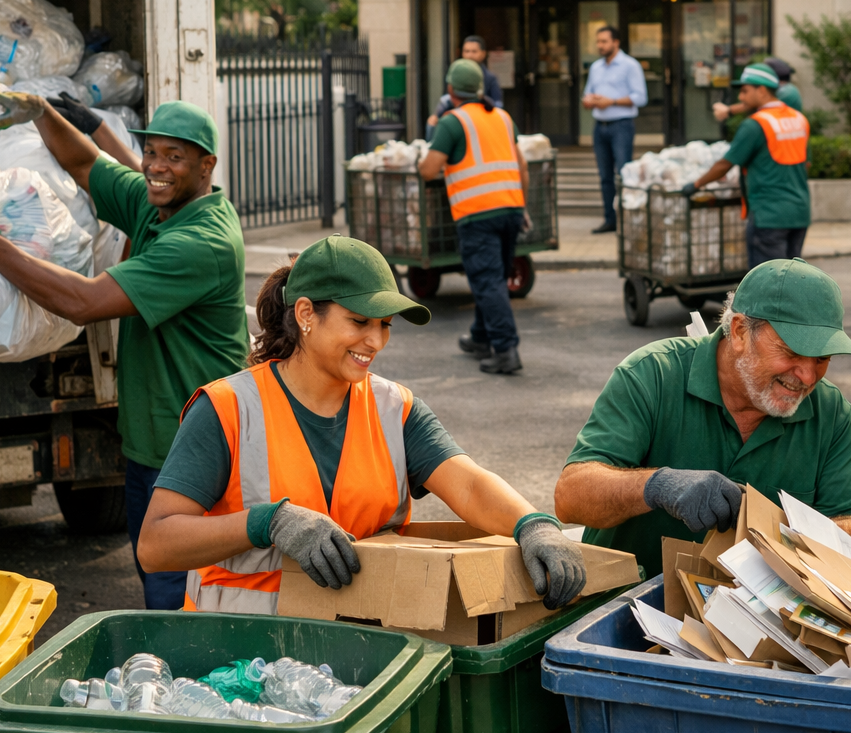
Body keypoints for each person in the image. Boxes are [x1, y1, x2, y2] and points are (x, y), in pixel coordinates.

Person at [136, 236, 587, 614]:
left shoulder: (395, 408)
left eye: (385, 325)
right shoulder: (227, 407)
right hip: (238, 667)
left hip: (357, 658)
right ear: (306, 314)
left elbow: (467, 484)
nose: (375, 341)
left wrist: (533, 525)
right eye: (359, 321)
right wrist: (268, 522)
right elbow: (156, 545)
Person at [0, 86, 248, 611]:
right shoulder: (158, 207)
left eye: (174, 156)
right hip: (151, 446)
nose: (156, 167)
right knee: (158, 582)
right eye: (150, 152)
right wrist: (41, 113)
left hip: (192, 454)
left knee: (183, 599)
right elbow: (84, 163)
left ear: (206, 165)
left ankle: (188, 686)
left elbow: (81, 301)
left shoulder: (202, 242)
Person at [555, 258, 851, 580]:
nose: (808, 376)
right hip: (626, 605)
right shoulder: (653, 373)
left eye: (822, 358)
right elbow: (571, 498)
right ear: (739, 332)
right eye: (791, 353)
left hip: (762, 614)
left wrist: (782, 528)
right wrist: (657, 486)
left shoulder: (831, 410)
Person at [418, 59, 530, 375]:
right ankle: (481, 337)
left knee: (487, 278)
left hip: (477, 213)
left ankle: (506, 350)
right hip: (510, 209)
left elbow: (428, 170)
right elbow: (522, 167)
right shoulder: (504, 118)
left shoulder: (452, 122)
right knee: (494, 276)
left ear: (451, 89)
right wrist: (522, 206)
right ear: (480, 89)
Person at [684, 63, 811, 270]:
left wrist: (696, 184)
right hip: (799, 213)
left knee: (767, 285)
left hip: (769, 216)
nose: (740, 98)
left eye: (744, 91)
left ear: (761, 91)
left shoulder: (755, 124)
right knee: (791, 281)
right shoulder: (799, 119)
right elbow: (807, 164)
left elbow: (725, 164)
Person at [581, 26, 648, 234]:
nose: (600, 46)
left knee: (624, 173)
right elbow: (587, 95)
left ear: (616, 42)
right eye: (598, 42)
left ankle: (628, 219)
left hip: (621, 125)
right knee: (604, 176)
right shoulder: (595, 67)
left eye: (604, 41)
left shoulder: (630, 65)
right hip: (600, 127)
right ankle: (610, 220)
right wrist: (589, 100)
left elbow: (640, 97)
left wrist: (612, 102)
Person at [426, 35, 504, 131]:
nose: (469, 55)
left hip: (481, 123)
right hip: (458, 122)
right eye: (466, 51)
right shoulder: (454, 75)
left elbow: (497, 106)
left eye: (474, 51)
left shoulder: (490, 79)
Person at [713, 56, 801, 123]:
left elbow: (750, 105)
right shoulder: (788, 89)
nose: (741, 97)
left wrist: (728, 110)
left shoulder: (786, 91)